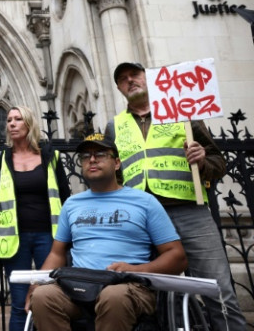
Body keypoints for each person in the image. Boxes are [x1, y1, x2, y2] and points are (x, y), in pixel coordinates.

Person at [105, 62, 246, 331]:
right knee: (155, 294)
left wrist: (203, 159)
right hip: (143, 220)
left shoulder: (183, 113)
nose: (129, 81)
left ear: (149, 78)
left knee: (217, 289)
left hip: (189, 211)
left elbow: (219, 161)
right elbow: (117, 177)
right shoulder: (115, 126)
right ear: (119, 89)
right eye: (123, 79)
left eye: (134, 75)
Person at [27, 134, 187, 331]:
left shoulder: (144, 202)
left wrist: (135, 270)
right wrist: (36, 284)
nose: (92, 160)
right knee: (43, 296)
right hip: (77, 288)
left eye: (100, 154)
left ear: (117, 163)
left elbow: (177, 256)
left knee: (113, 296)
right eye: (85, 156)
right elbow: (56, 253)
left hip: (129, 287)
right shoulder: (71, 204)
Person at [0, 105, 71, 331]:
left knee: (48, 295)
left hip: (49, 237)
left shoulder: (51, 157)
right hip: (14, 239)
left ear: (29, 123)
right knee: (20, 301)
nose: (11, 123)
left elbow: (64, 196)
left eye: (18, 119)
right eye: (9, 120)